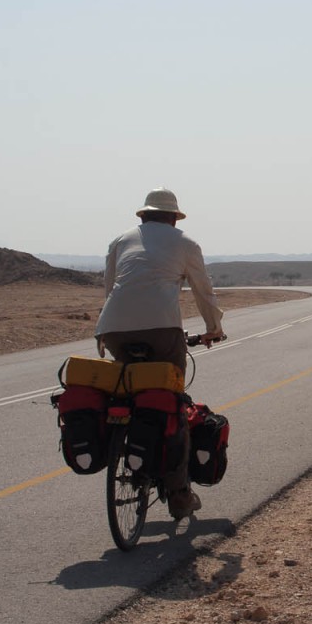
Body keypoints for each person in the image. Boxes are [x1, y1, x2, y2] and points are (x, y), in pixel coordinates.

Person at [95, 187, 225, 517]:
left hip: (113, 328)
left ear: (143, 215)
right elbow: (203, 292)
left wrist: (103, 332)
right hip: (162, 332)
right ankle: (180, 494)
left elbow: (110, 288)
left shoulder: (120, 241)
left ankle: (124, 443)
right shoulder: (186, 244)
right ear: (173, 217)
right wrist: (214, 328)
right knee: (173, 406)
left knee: (126, 392)